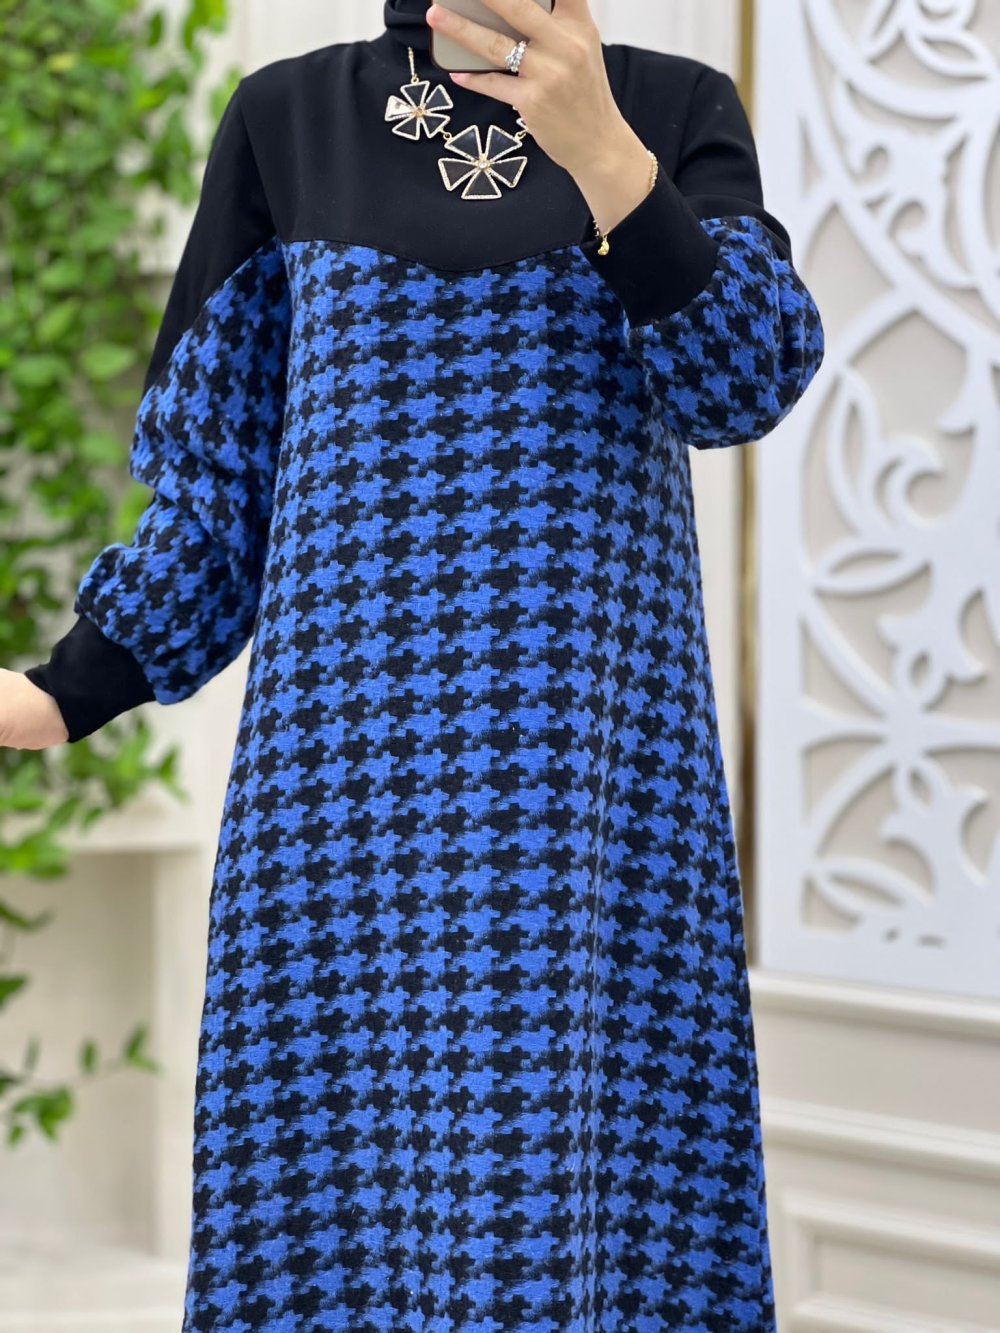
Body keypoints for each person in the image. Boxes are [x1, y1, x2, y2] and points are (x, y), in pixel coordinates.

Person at [3, 0, 825, 1327]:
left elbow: (739, 385)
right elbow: (219, 492)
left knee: (576, 1225)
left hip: (589, 817)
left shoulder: (672, 107)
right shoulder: (287, 121)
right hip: (345, 809)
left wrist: (605, 152)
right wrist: (65, 690)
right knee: (330, 1227)